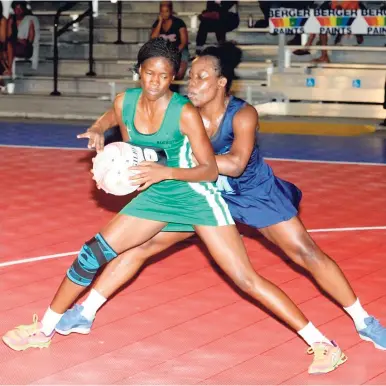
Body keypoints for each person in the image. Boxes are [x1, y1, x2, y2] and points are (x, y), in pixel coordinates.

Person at [3, 38, 346, 376]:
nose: (156, 81)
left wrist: (164, 171)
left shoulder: (183, 113)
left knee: (246, 279)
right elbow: (112, 114)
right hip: (157, 194)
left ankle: (322, 344)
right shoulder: (126, 101)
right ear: (139, 72)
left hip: (196, 196)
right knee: (92, 253)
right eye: (150, 73)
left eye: (164, 76)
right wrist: (96, 128)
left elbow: (209, 168)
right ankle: (44, 330)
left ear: (173, 78)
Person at [150, 1, 188, 80]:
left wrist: (174, 53)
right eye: (162, 11)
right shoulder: (157, 23)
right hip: (163, 51)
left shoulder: (179, 23)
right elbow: (153, 39)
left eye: (166, 11)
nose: (164, 14)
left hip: (179, 50)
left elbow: (184, 42)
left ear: (170, 11)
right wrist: (160, 22)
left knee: (179, 73)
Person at [4, 1, 39, 77]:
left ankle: (9, 70)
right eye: (16, 8)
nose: (18, 10)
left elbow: (30, 40)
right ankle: (6, 72)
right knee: (8, 46)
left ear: (24, 9)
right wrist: (10, 23)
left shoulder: (30, 19)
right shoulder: (11, 19)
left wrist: (19, 40)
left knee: (9, 46)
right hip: (13, 45)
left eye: (20, 8)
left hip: (26, 48)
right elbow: (8, 36)